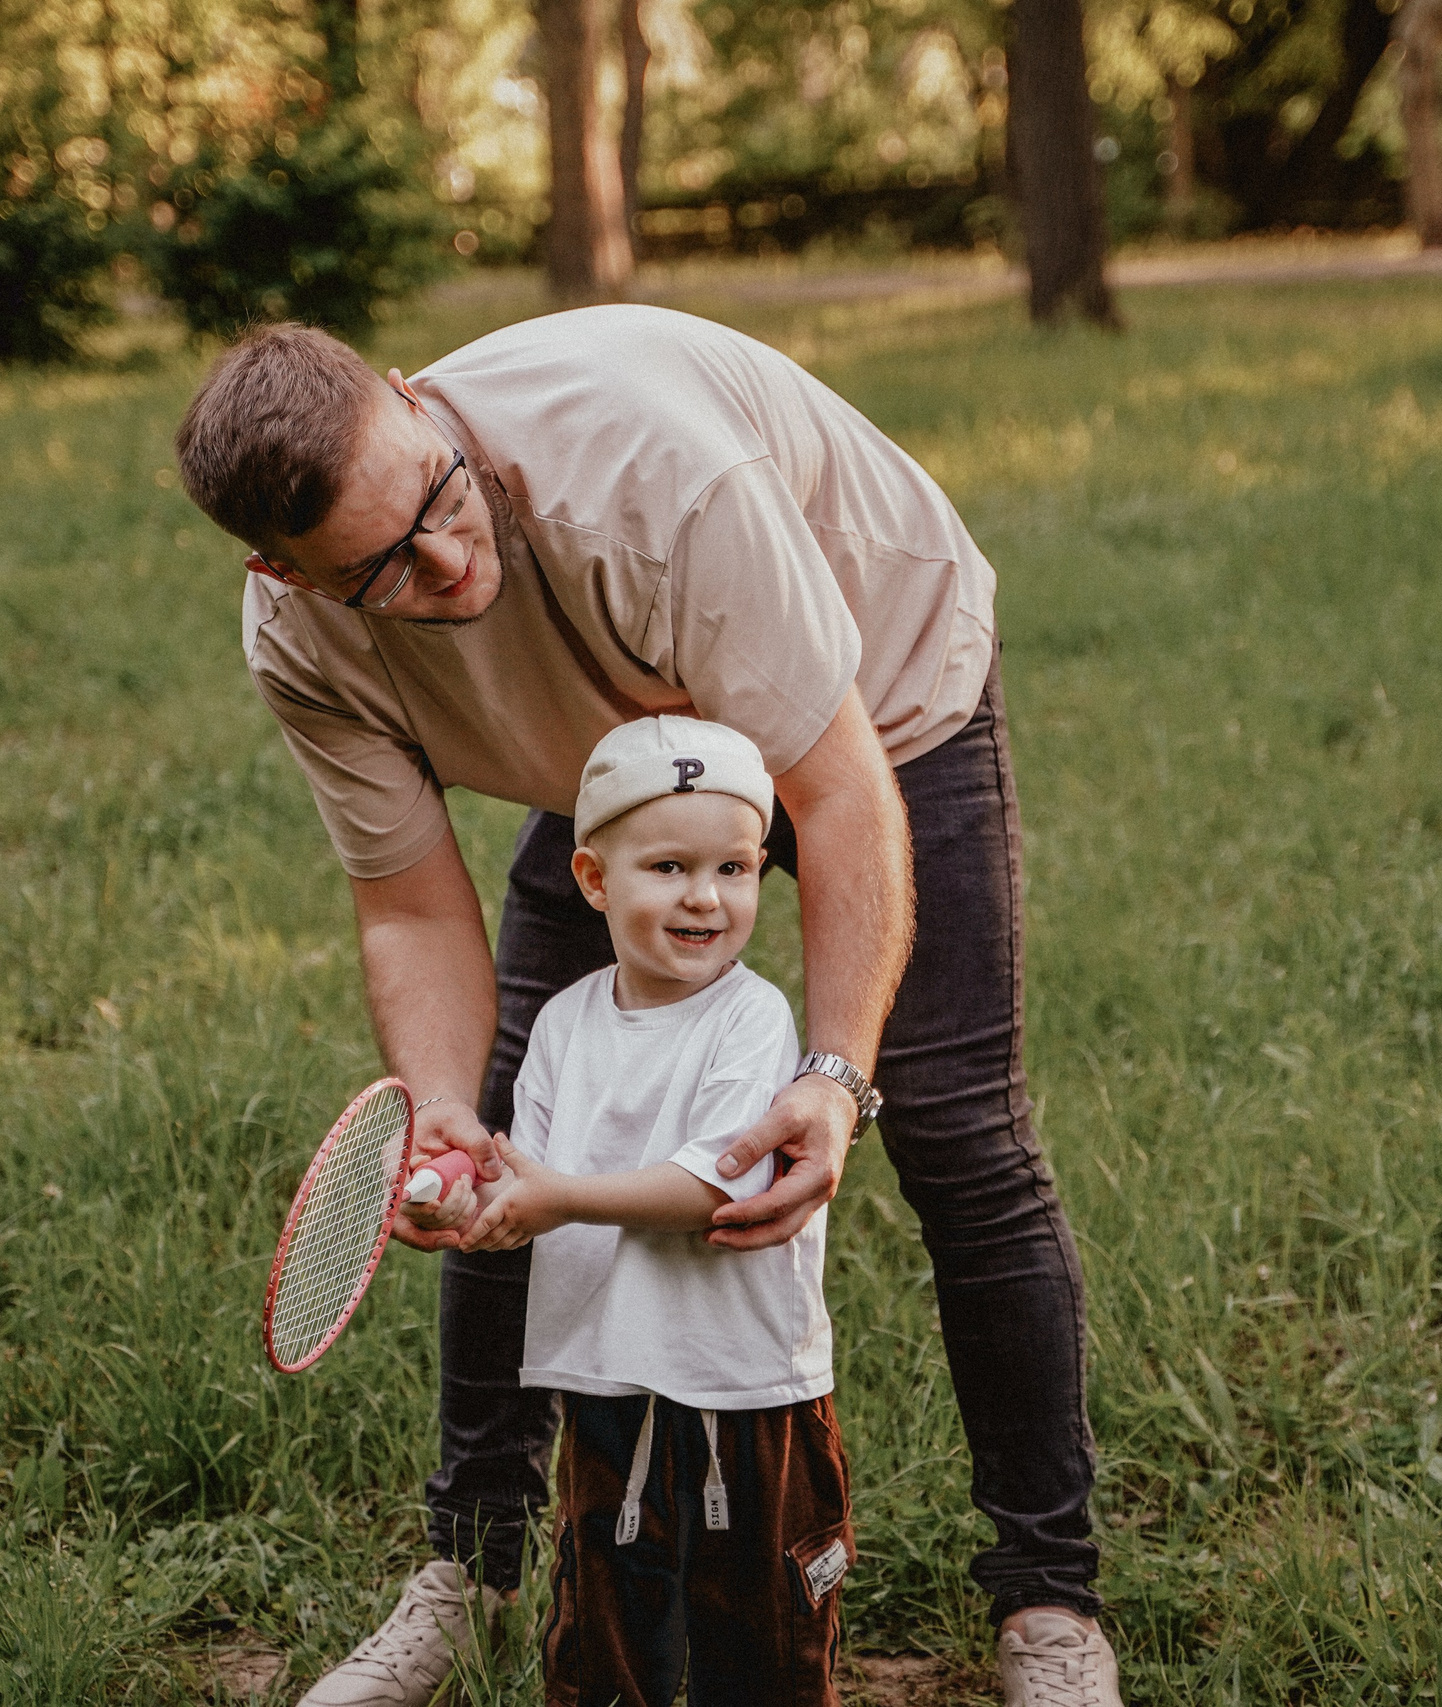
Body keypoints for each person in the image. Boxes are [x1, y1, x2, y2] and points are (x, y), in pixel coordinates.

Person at [172, 307, 1116, 1707]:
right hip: (620, 753)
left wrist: (834, 1075)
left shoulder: (652, 480)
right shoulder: (303, 644)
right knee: (504, 1136)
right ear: (285, 575)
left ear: (412, 401)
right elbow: (408, 902)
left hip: (876, 694)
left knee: (956, 1126)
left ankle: (1049, 1603)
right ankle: (475, 1571)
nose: (447, 563)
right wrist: (443, 1109)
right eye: (381, 569)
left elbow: (834, 791)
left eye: (439, 501)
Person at [421, 715, 848, 1707]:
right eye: (668, 867)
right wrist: (471, 1204)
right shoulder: (562, 1024)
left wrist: (557, 1196)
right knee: (607, 1632)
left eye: (734, 868)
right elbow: (527, 1179)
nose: (706, 896)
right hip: (605, 1378)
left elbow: (710, 1188)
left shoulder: (752, 1017)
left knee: (765, 1637)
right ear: (593, 879)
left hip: (743, 1388)